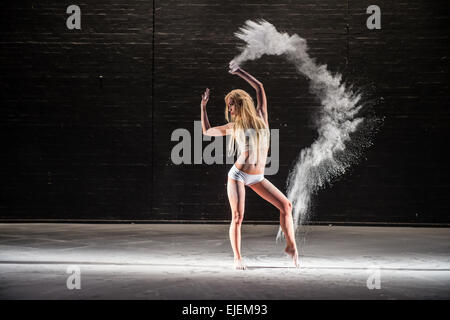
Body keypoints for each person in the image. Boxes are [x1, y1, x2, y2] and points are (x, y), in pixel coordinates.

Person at [200, 60, 299, 270]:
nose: (230, 110)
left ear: (241, 104)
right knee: (238, 216)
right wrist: (203, 108)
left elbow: (260, 87)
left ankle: (291, 246)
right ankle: (237, 258)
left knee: (286, 206)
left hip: (258, 176)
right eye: (228, 107)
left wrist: (239, 72)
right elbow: (207, 131)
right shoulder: (233, 126)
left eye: (231, 105)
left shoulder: (262, 117)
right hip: (238, 175)